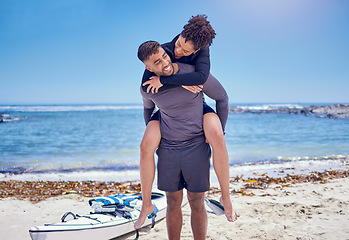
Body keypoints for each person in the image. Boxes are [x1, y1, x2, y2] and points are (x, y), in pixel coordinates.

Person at [135, 15, 235, 229]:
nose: (177, 52)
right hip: (167, 116)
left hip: (198, 109)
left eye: (185, 51)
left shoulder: (200, 65)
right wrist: (156, 130)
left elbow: (216, 92)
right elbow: (148, 86)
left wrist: (221, 131)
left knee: (216, 136)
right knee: (145, 146)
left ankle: (226, 196)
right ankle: (146, 204)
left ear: (196, 51)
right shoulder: (164, 51)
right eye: (178, 44)